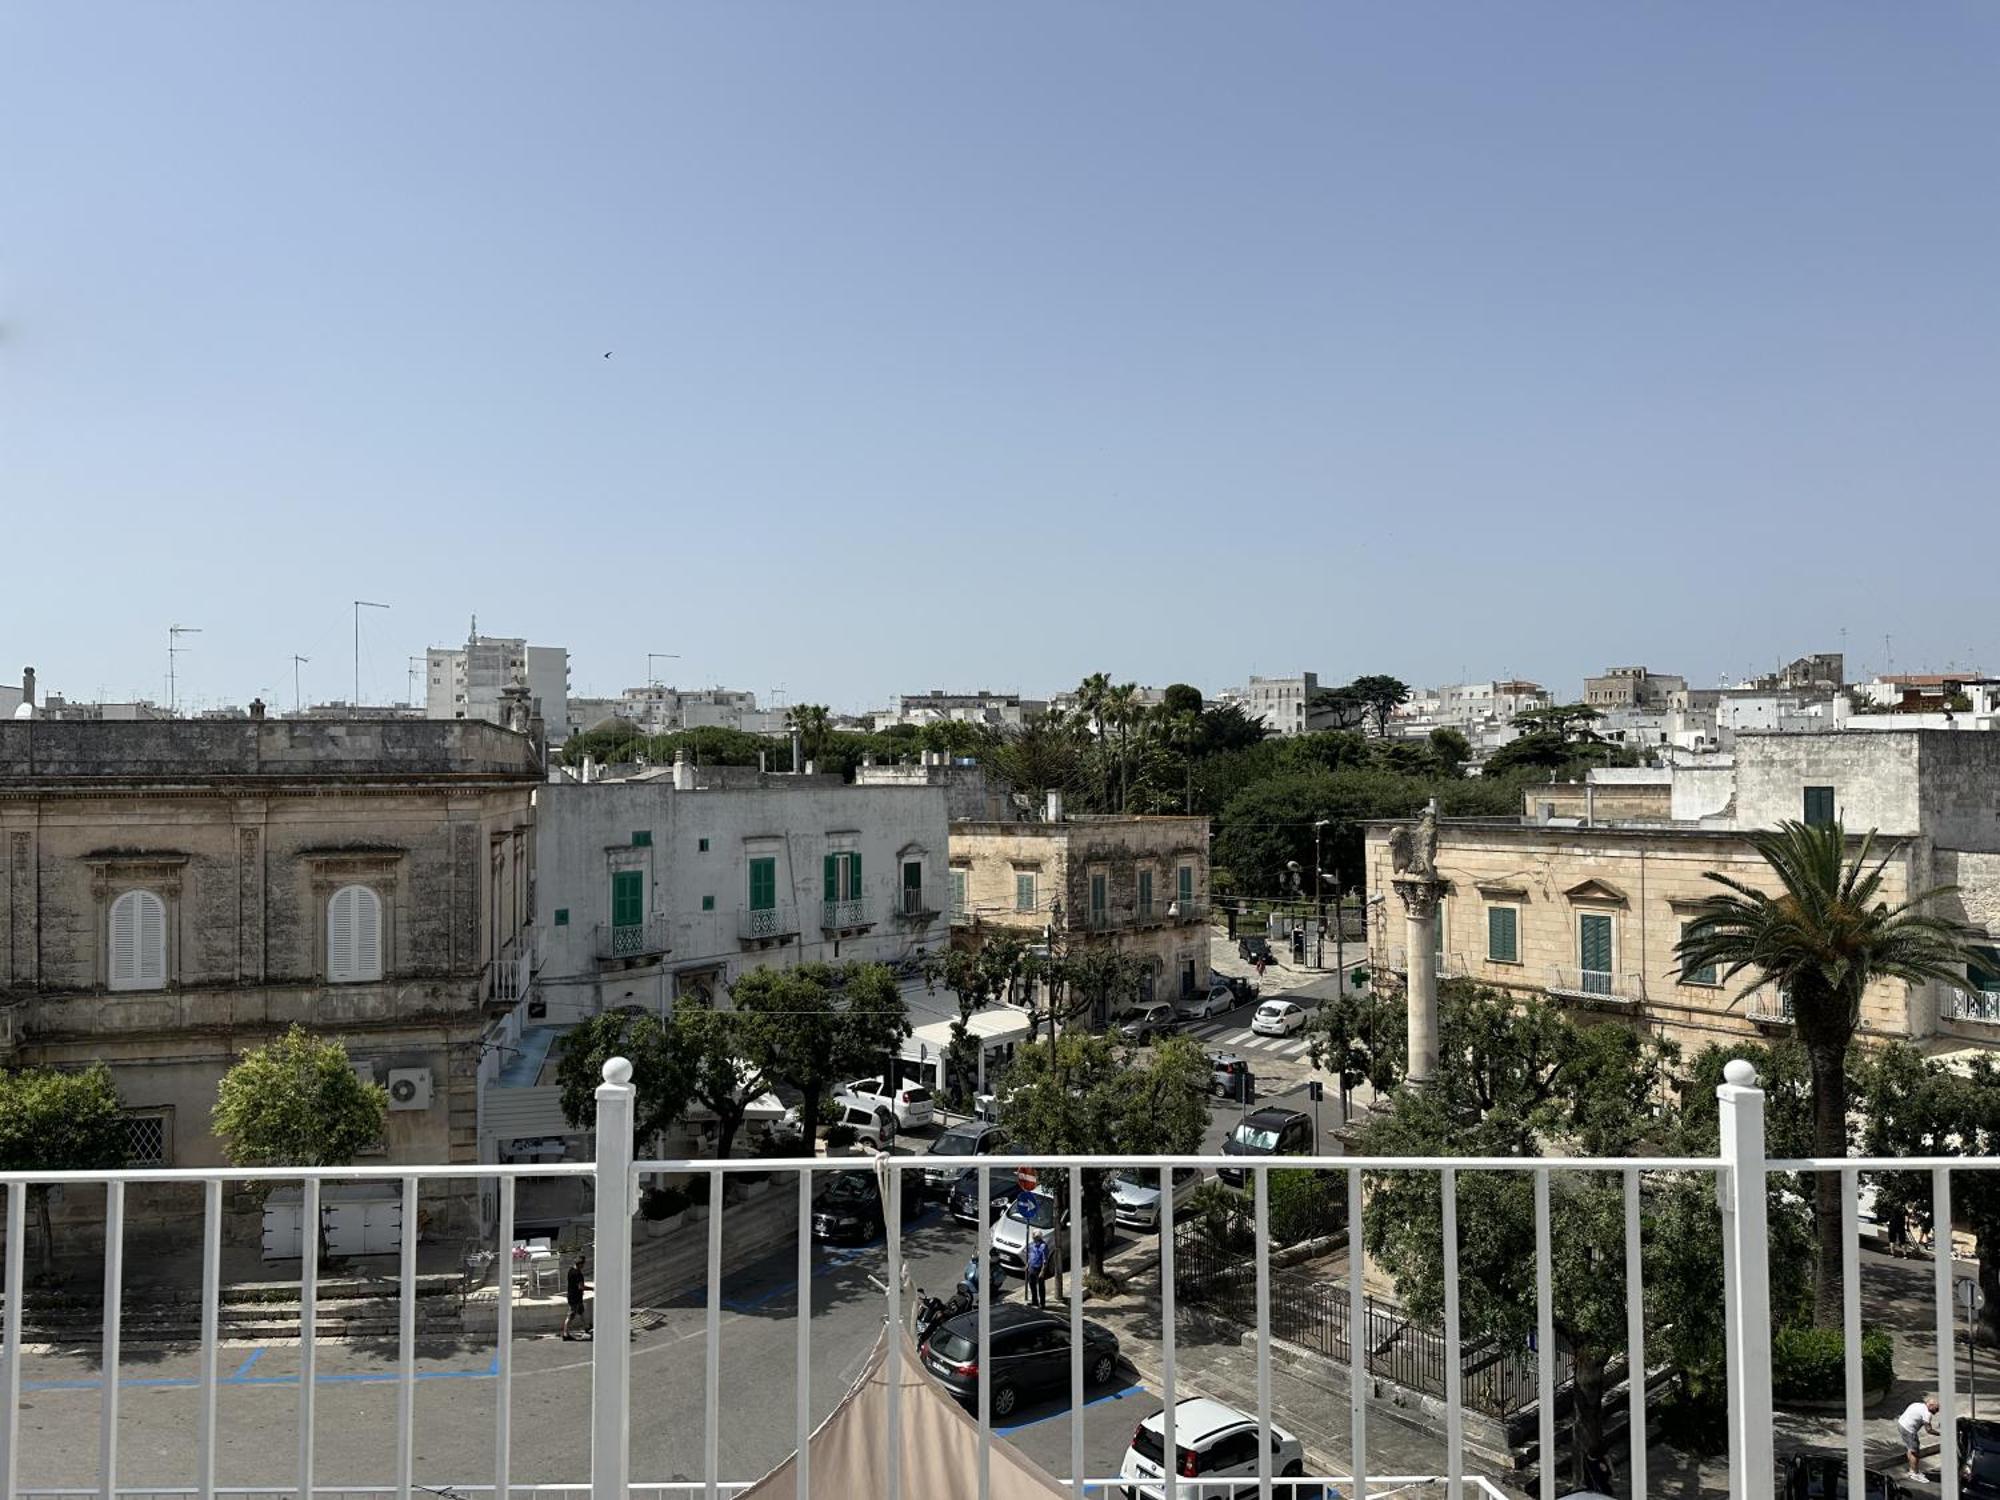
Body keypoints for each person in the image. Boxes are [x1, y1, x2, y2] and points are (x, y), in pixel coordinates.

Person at [1899, 1395, 1941, 1478]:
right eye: (1936, 1409)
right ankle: (1914, 1473)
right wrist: (1941, 1434)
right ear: (1930, 1406)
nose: (1936, 1412)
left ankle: (1912, 1468)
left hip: (1901, 1424)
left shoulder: (1916, 1404)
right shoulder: (1927, 1414)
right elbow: (1929, 1430)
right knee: (1915, 1453)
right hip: (1909, 1431)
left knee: (1911, 1448)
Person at [562, 1253, 592, 1341]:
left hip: (573, 1296)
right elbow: (581, 1287)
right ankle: (565, 1334)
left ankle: (586, 1327)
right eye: (583, 1264)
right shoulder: (578, 1274)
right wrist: (591, 1288)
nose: (583, 1266)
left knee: (581, 1312)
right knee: (570, 1316)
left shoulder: (570, 1270)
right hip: (575, 1298)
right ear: (580, 1264)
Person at [1025, 1231, 1051, 1308]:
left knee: (1041, 1286)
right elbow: (1031, 1255)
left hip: (1039, 1268)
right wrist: (1028, 1264)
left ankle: (1042, 1303)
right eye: (1033, 1237)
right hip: (1032, 1267)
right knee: (1032, 1285)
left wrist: (1042, 1271)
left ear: (1038, 1237)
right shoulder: (1032, 1245)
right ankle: (1034, 1301)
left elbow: (1045, 1260)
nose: (1033, 1238)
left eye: (1035, 1237)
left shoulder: (1043, 1246)